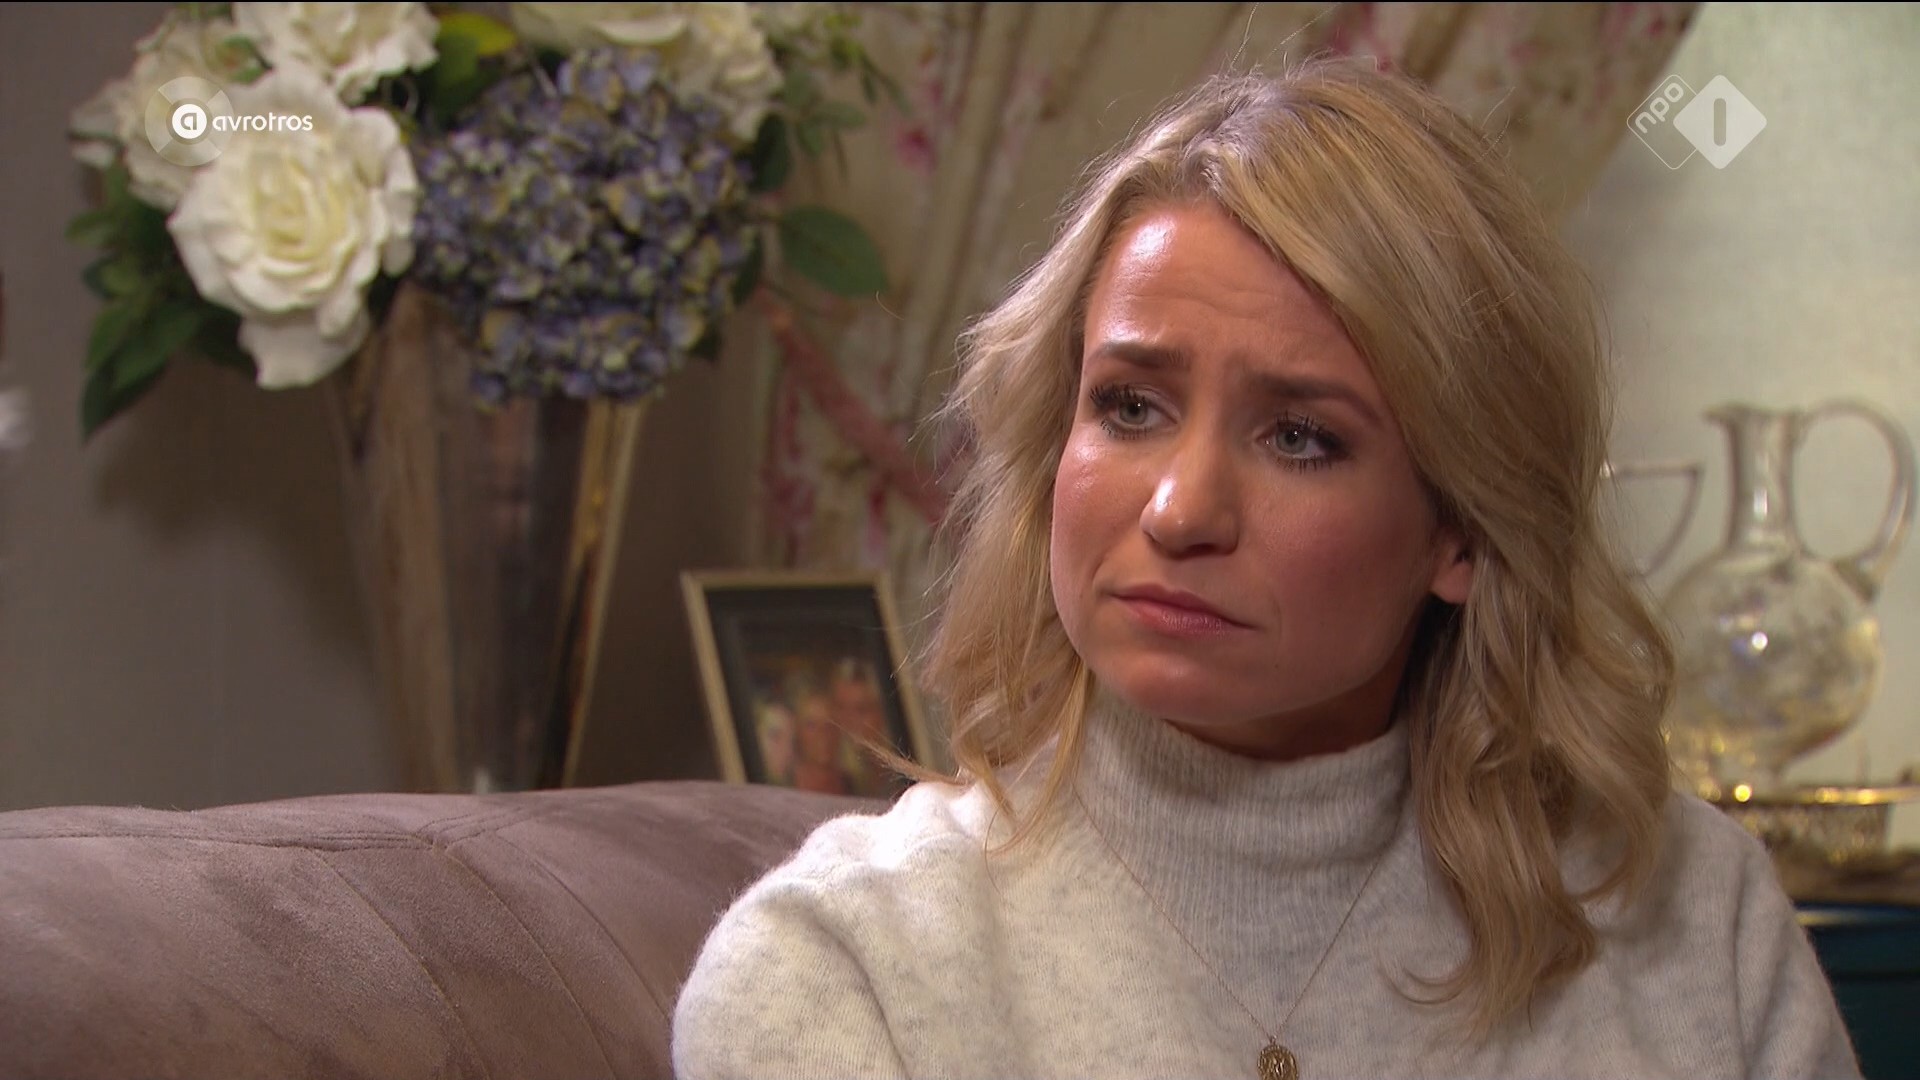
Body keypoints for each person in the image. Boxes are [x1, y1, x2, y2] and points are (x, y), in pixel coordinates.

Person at [672, 58, 1861, 1079]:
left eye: (1299, 436)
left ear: (1463, 529)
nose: (1181, 510)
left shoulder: (1696, 924)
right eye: (1129, 407)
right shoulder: (840, 970)